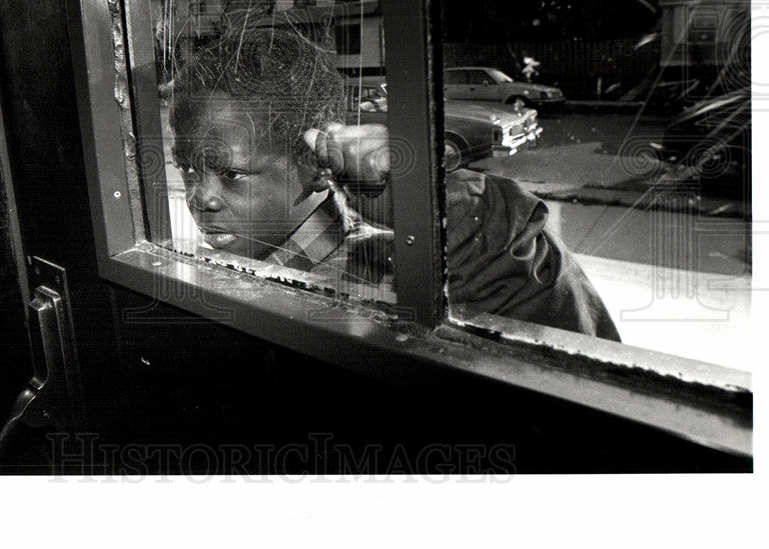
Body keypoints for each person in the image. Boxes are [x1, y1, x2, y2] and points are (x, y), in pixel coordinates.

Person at [169, 18, 619, 341]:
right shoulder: (216, 272)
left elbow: (553, 321)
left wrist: (438, 209)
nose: (199, 197)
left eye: (231, 173)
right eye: (187, 167)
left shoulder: (395, 281)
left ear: (316, 163)